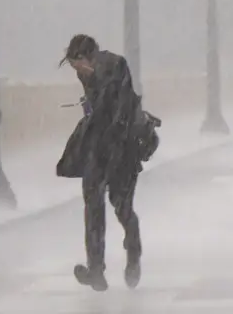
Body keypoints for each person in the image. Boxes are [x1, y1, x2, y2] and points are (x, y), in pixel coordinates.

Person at [57, 34, 144, 292]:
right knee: (93, 205)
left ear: (87, 57)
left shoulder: (115, 66)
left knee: (122, 206)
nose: (76, 72)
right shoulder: (89, 74)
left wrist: (99, 114)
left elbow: (118, 107)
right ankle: (96, 269)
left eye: (76, 64)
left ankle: (133, 253)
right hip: (99, 148)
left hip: (123, 148)